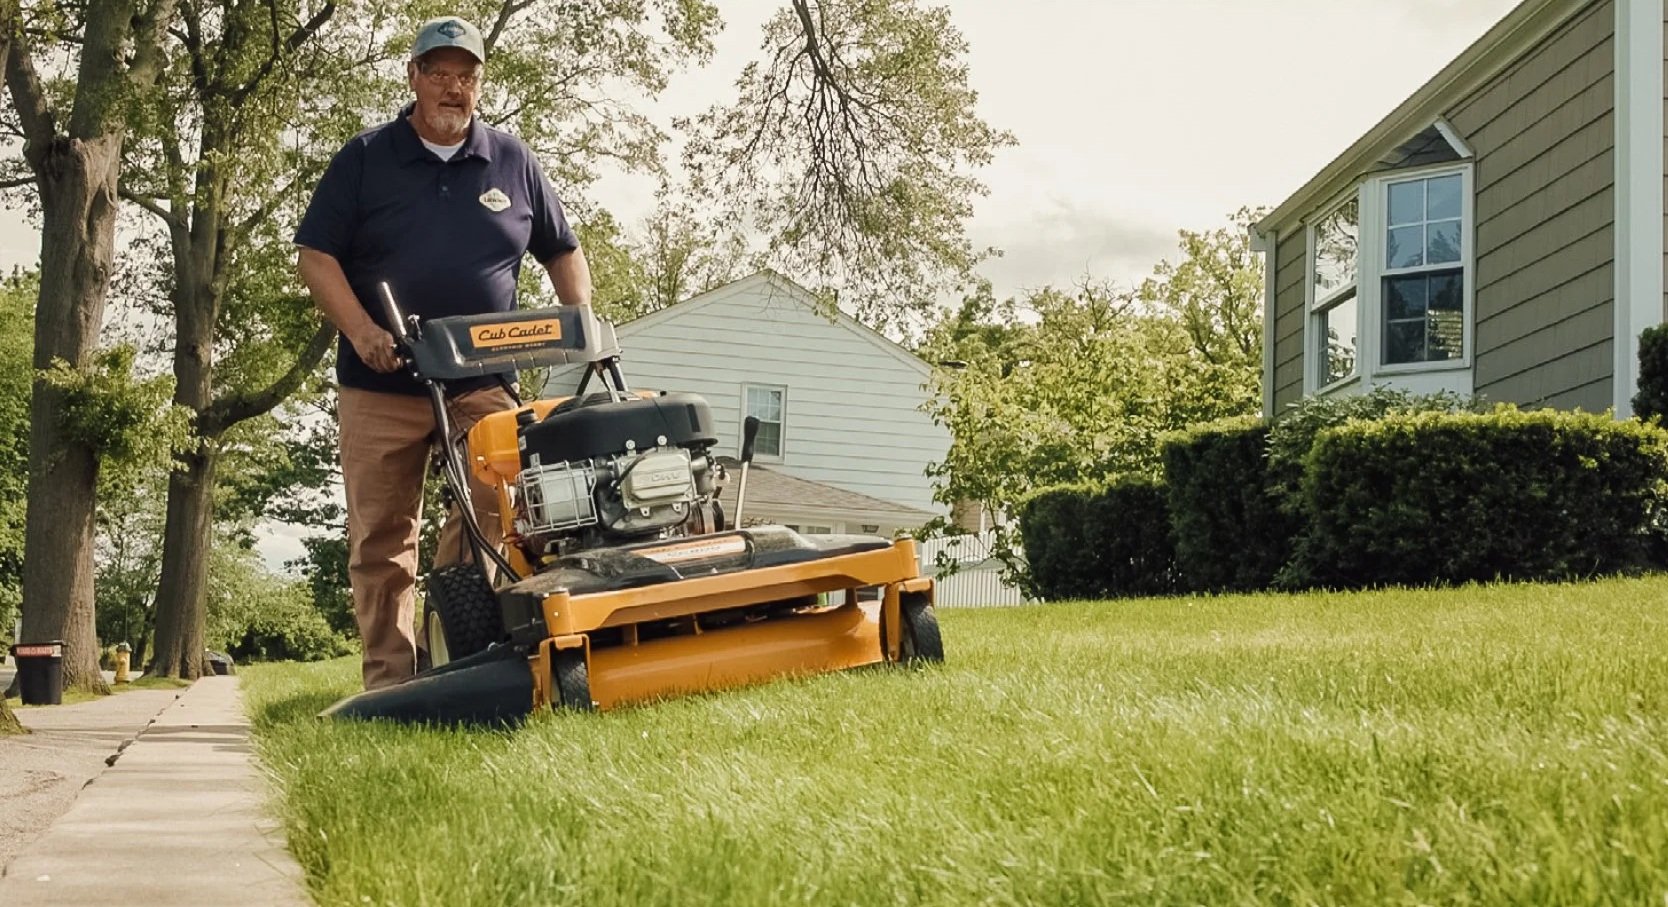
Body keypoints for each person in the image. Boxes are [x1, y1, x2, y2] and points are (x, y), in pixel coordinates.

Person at [295, 15, 592, 690]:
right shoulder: (366, 157)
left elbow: (563, 252)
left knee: (498, 505)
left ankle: (454, 632)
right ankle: (390, 682)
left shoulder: (512, 160)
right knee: (381, 536)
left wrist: (581, 321)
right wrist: (362, 330)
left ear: (479, 85)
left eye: (467, 76)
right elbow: (316, 257)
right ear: (414, 78)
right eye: (440, 74)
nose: (453, 89)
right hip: (382, 380)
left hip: (481, 378)